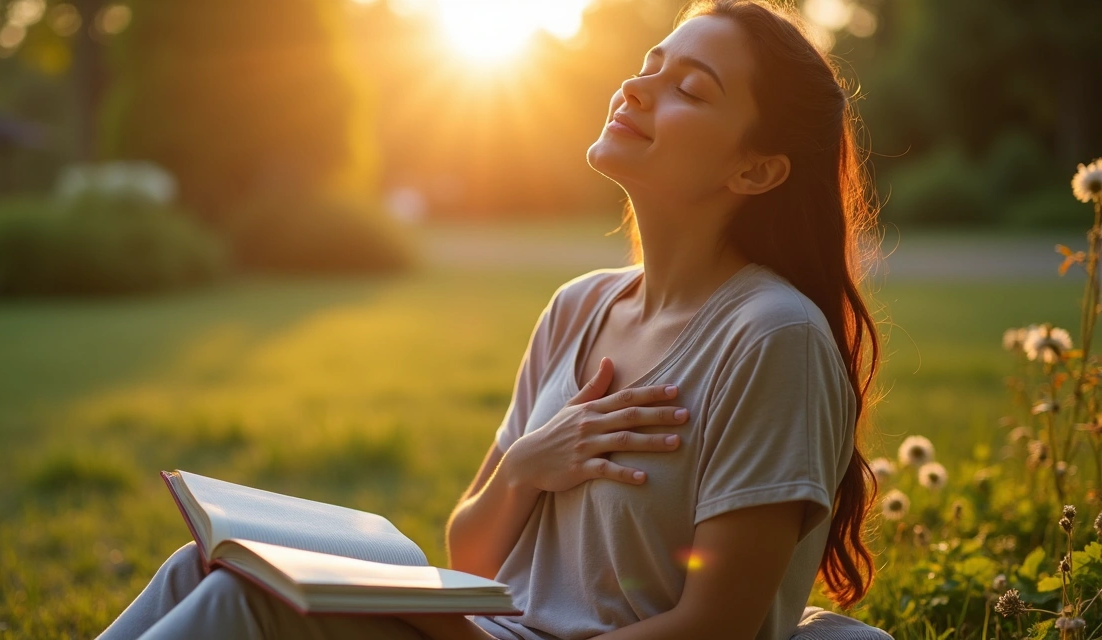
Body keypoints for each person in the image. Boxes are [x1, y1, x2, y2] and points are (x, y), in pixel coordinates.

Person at [96, 0, 893, 638]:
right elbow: (470, 549)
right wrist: (527, 465)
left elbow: (715, 625)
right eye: (649, 66)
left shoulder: (770, 337)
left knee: (248, 605)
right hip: (489, 625)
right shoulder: (579, 307)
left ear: (755, 169)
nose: (637, 88)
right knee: (205, 567)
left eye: (690, 88)